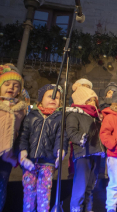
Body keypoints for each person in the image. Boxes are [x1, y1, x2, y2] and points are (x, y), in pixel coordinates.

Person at [17, 84, 67, 212]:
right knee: (29, 192)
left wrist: (60, 151)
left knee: (44, 193)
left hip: (47, 162)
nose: (53, 99)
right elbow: (24, 135)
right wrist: (23, 153)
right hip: (30, 161)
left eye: (57, 98)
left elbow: (61, 137)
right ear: (41, 99)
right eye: (50, 96)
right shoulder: (31, 116)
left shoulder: (60, 118)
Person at [66, 87, 105, 212]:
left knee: (91, 184)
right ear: (81, 101)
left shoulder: (96, 116)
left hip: (96, 152)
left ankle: (88, 208)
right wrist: (82, 138)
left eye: (94, 100)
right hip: (83, 153)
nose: (93, 103)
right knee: (81, 185)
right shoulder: (74, 114)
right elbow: (71, 131)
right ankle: (76, 208)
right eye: (89, 100)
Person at [0, 64, 26, 212]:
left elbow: (21, 130)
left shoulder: (20, 108)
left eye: (16, 85)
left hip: (7, 155)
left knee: (2, 185)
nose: (11, 87)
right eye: (7, 84)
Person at [68, 79, 93, 178]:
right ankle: (72, 172)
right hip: (78, 129)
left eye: (88, 87)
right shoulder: (76, 99)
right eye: (84, 86)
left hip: (87, 130)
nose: (85, 89)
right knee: (74, 153)